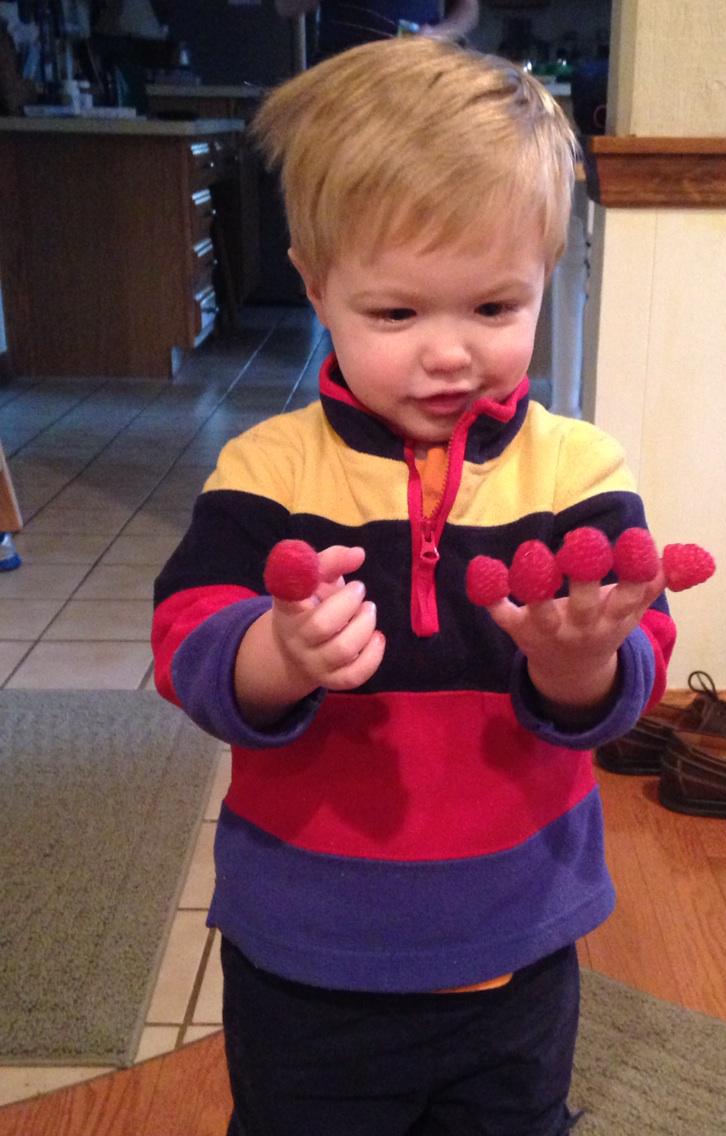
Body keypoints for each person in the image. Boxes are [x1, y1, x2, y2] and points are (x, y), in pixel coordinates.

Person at [152, 36, 676, 1136]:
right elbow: (185, 634)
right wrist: (274, 655)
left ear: (550, 278)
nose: (450, 354)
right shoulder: (267, 472)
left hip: (516, 944)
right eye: (398, 315)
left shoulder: (579, 472)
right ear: (317, 286)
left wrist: (585, 663)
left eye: (495, 309)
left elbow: (638, 659)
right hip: (307, 956)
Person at [274, 0, 480, 60]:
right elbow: (285, 7)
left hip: (415, 74)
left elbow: (469, 8)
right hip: (341, 76)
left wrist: (439, 35)